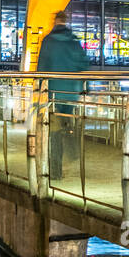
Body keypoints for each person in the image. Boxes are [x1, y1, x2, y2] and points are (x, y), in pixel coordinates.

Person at [35, 9, 90, 180]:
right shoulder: (73, 41)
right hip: (71, 92)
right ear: (66, 22)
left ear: (55, 21)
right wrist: (86, 86)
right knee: (68, 124)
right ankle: (73, 149)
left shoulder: (48, 41)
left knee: (55, 131)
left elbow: (42, 68)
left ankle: (56, 171)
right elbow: (83, 63)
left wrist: (39, 88)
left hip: (54, 93)